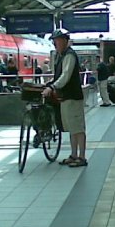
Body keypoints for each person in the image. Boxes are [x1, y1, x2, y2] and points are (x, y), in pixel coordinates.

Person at [43, 29, 87, 167]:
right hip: (66, 97)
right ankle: (74, 155)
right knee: (72, 128)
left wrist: (52, 87)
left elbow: (66, 75)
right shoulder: (61, 55)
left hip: (73, 96)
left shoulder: (69, 55)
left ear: (64, 41)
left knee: (78, 127)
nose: (55, 44)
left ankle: (82, 157)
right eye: (54, 41)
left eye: (57, 41)